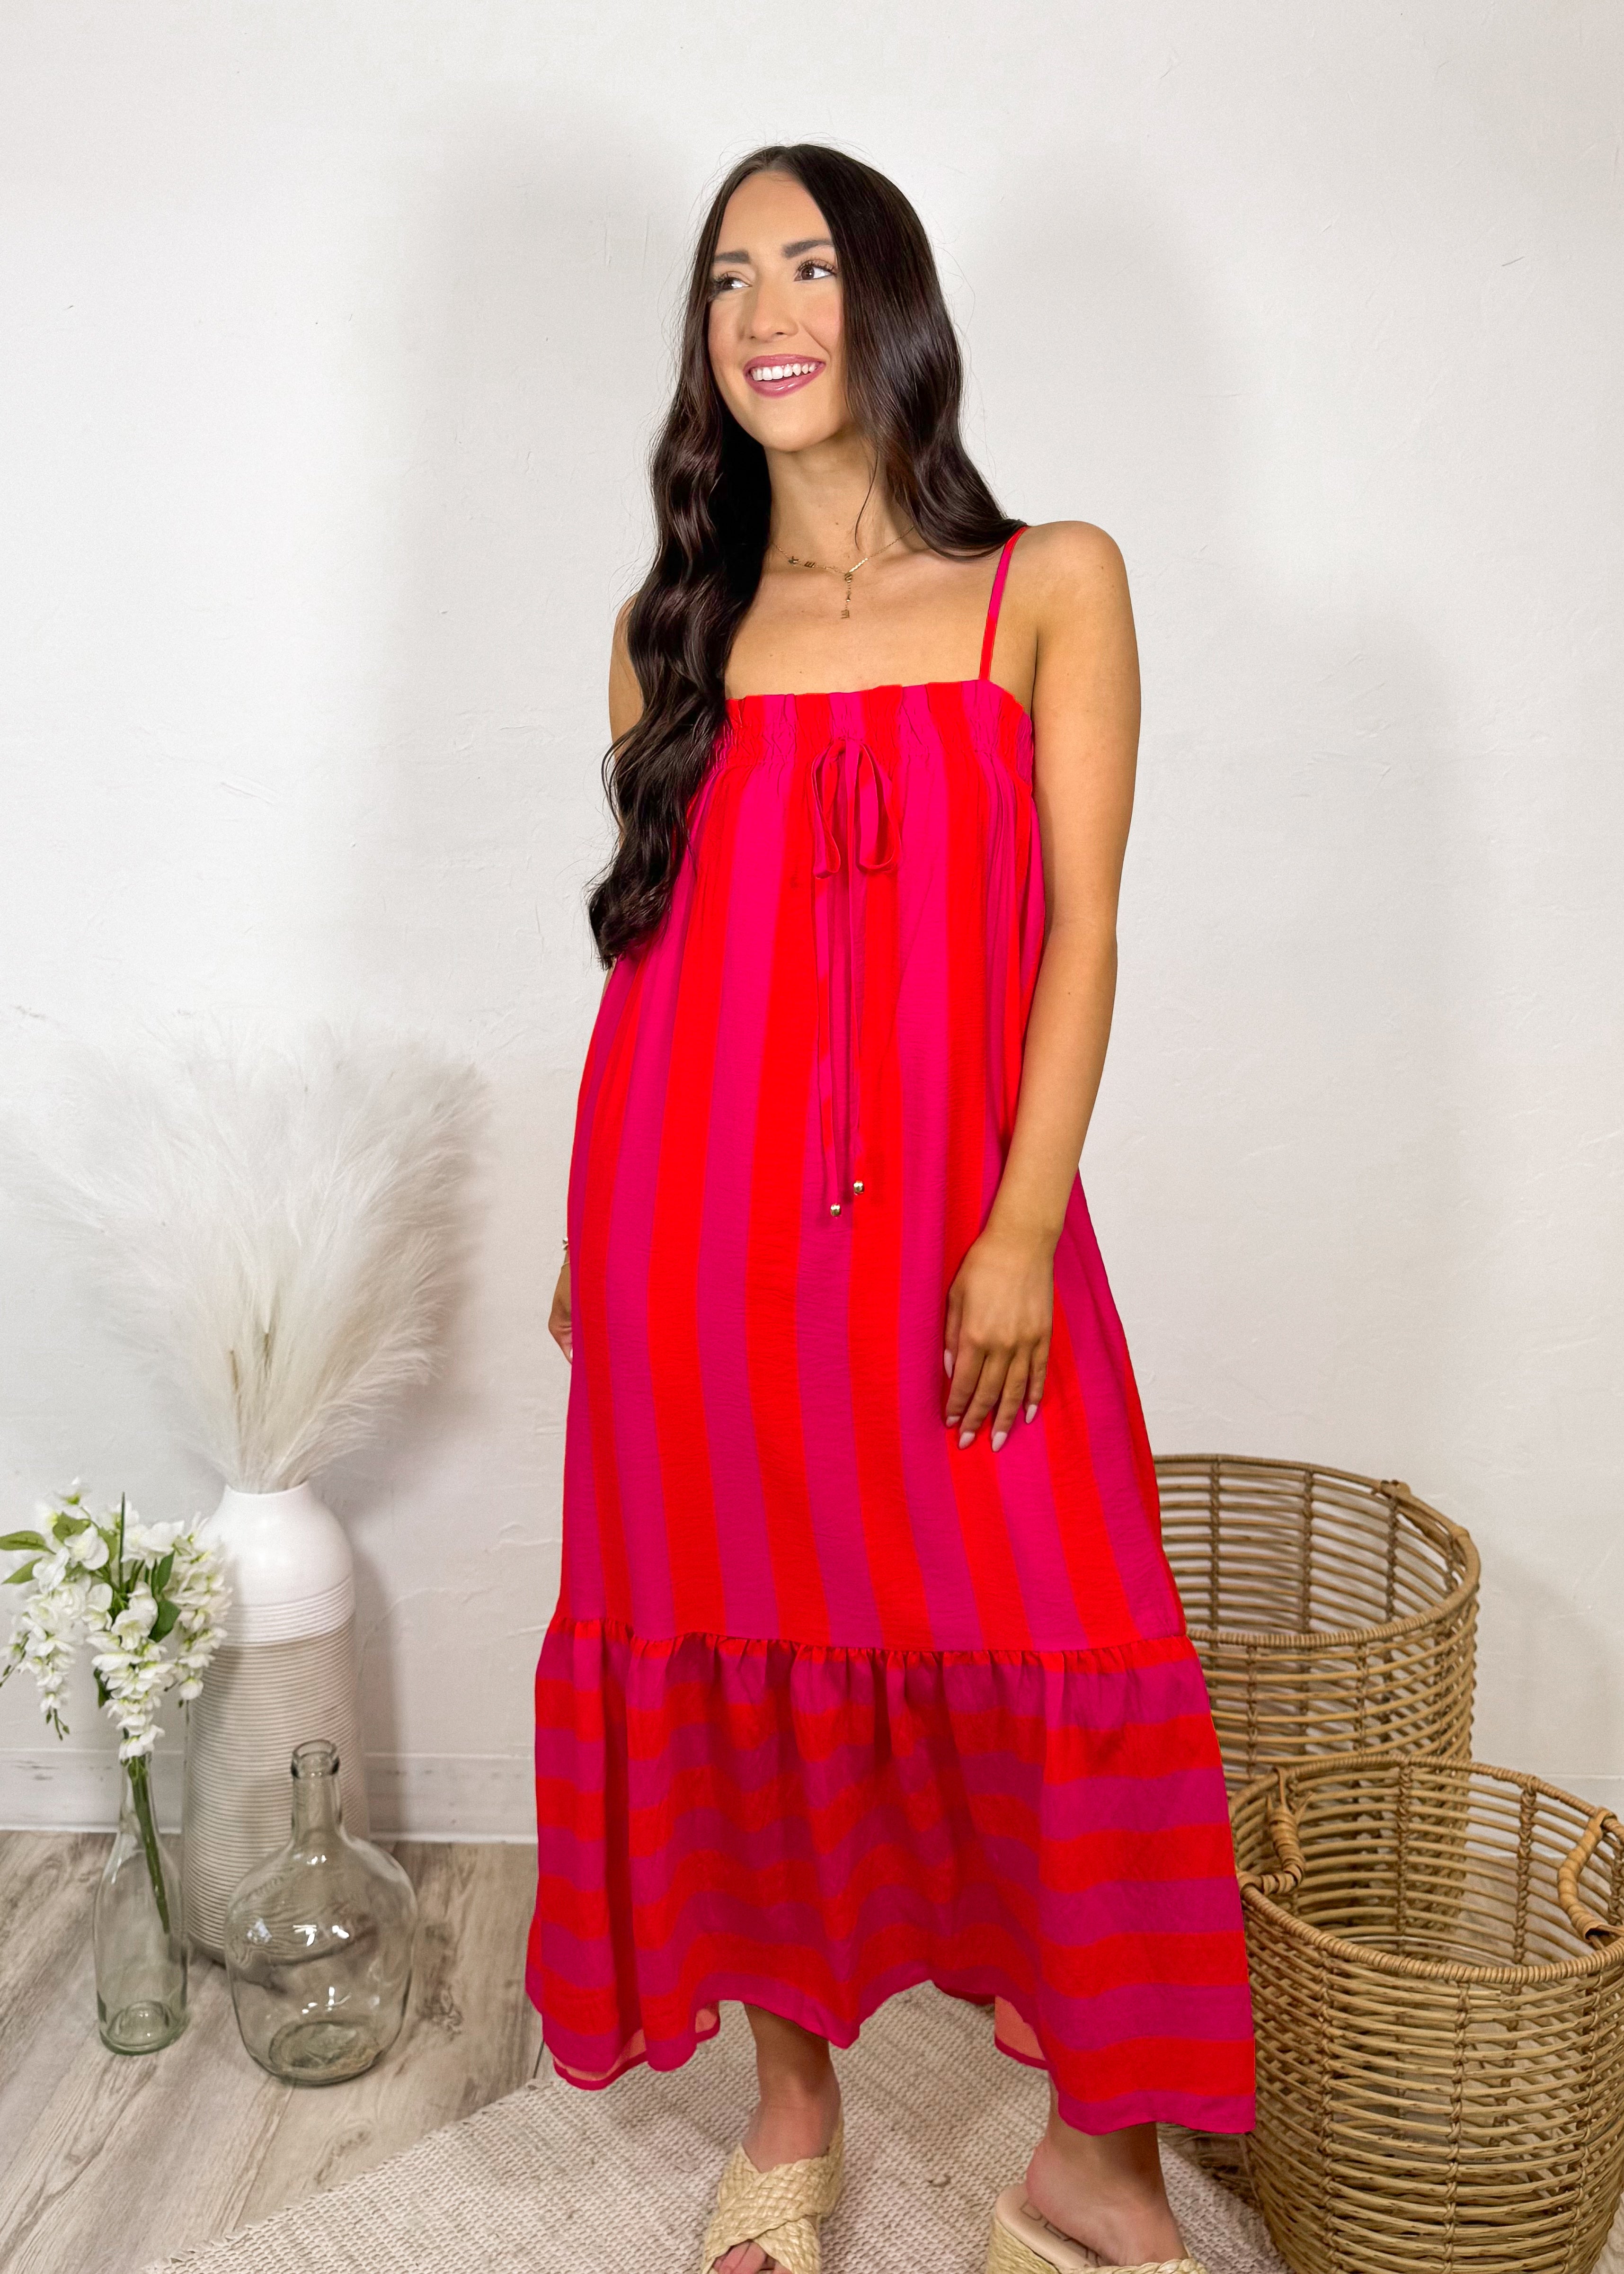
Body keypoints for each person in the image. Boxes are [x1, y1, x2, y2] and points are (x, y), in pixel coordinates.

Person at [526, 142, 1253, 2274]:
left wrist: (1020, 1228)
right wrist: (600, 1234)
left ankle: (1099, 2161)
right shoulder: (672, 632)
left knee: (1069, 1624)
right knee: (742, 1640)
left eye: (810, 264)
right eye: (727, 276)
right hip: (691, 1241)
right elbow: (658, 964)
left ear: (893, 304)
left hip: (959, 1229)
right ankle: (791, 2103)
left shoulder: (1052, 583)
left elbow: (1086, 930)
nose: (766, 310)